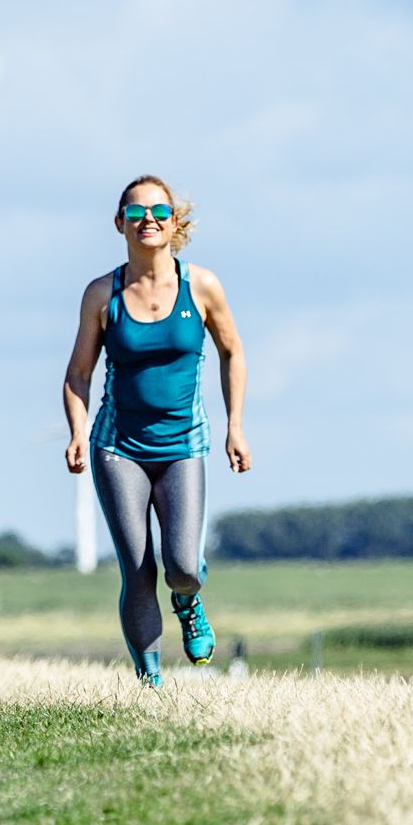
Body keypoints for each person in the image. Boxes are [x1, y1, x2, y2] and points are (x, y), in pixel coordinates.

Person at [61, 174, 251, 685]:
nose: (149, 220)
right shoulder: (103, 293)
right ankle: (150, 685)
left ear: (174, 222)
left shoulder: (202, 286)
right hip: (117, 447)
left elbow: (232, 351)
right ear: (120, 222)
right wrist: (78, 432)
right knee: (138, 570)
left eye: (160, 212)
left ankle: (188, 603)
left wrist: (235, 426)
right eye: (138, 212)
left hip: (184, 445)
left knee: (182, 565)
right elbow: (79, 373)